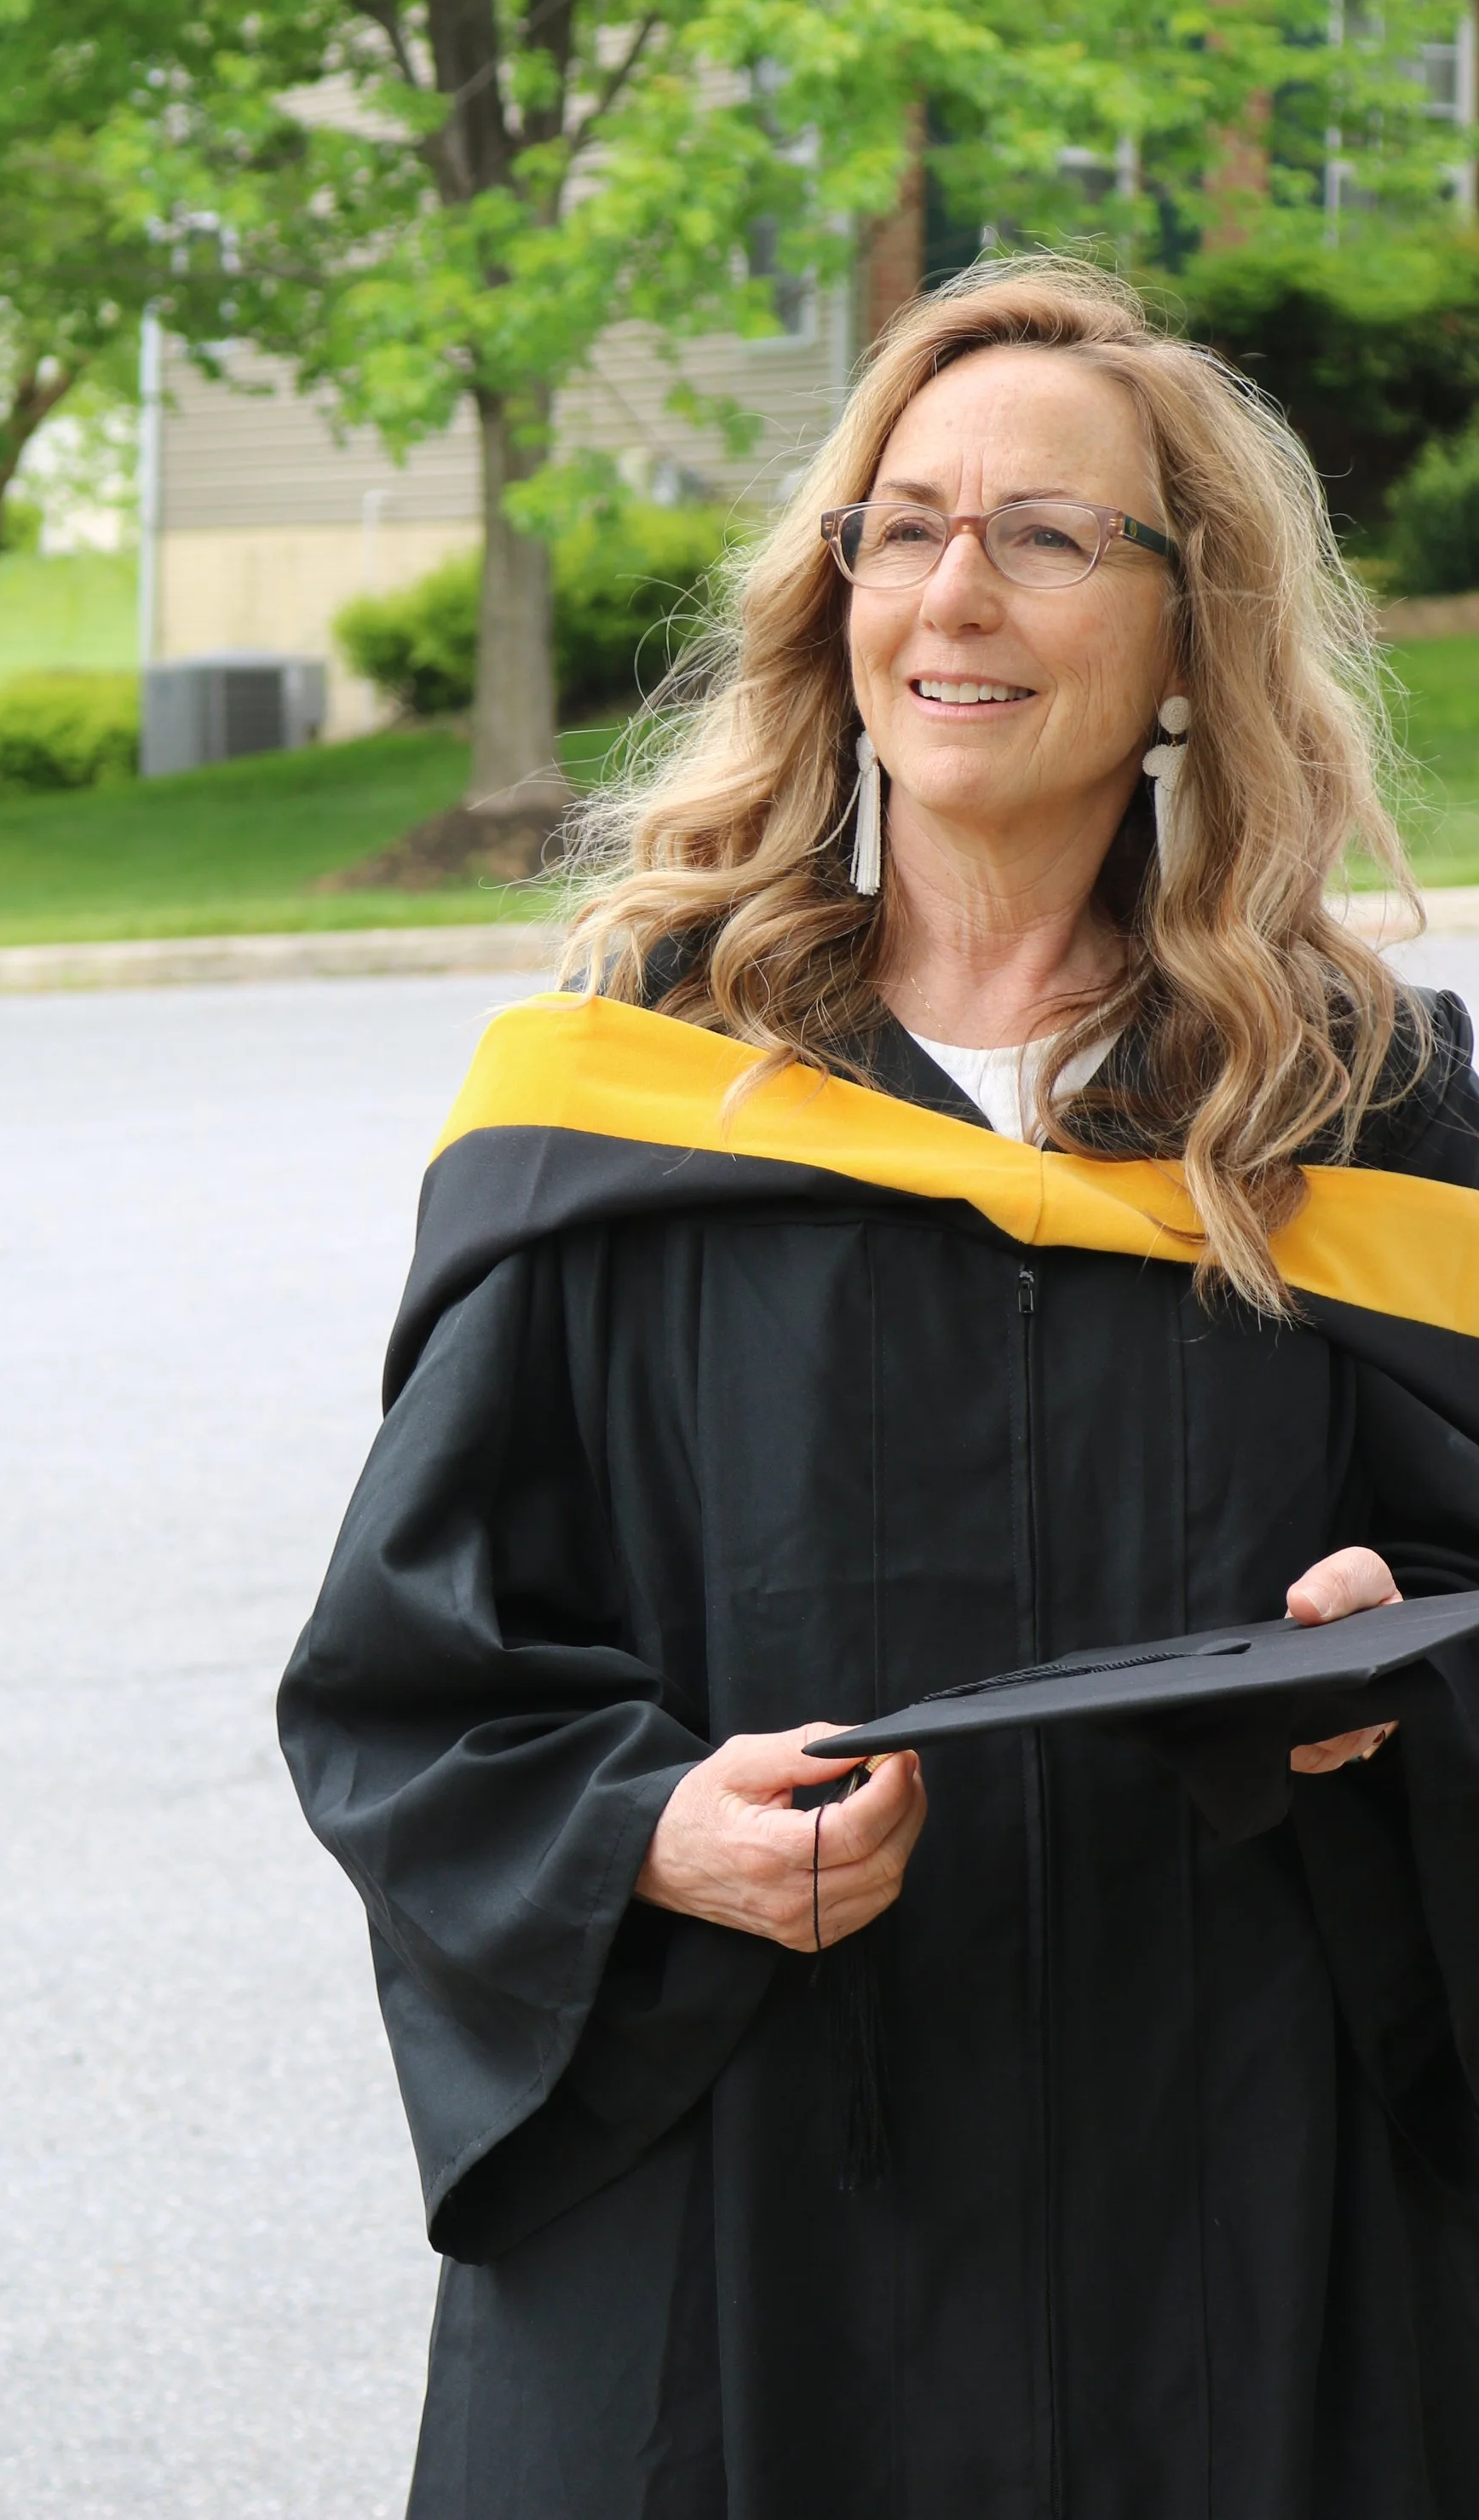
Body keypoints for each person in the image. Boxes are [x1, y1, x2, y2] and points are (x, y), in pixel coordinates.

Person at [279, 259, 1479, 2520]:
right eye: (901, 526)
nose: (956, 591)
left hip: (1229, 2207)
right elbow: (414, 1670)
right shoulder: (627, 1084)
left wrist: (1400, 1668)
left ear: (1184, 630)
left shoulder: (1362, 1106)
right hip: (746, 2220)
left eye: (1047, 533)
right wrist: (645, 1832)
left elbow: (1460, 1572)